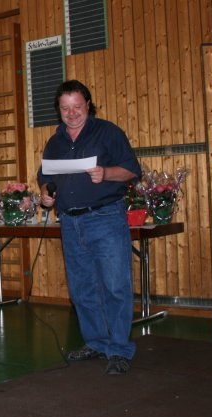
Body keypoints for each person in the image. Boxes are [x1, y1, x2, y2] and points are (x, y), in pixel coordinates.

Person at [37, 80, 142, 375]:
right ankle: (96, 342)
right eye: (65, 108)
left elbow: (132, 169)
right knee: (82, 289)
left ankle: (119, 349)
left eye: (77, 106)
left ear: (88, 105)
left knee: (115, 286)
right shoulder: (55, 142)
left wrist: (106, 173)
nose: (71, 113)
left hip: (105, 218)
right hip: (70, 222)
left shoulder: (108, 132)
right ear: (59, 110)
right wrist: (46, 194)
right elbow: (45, 177)